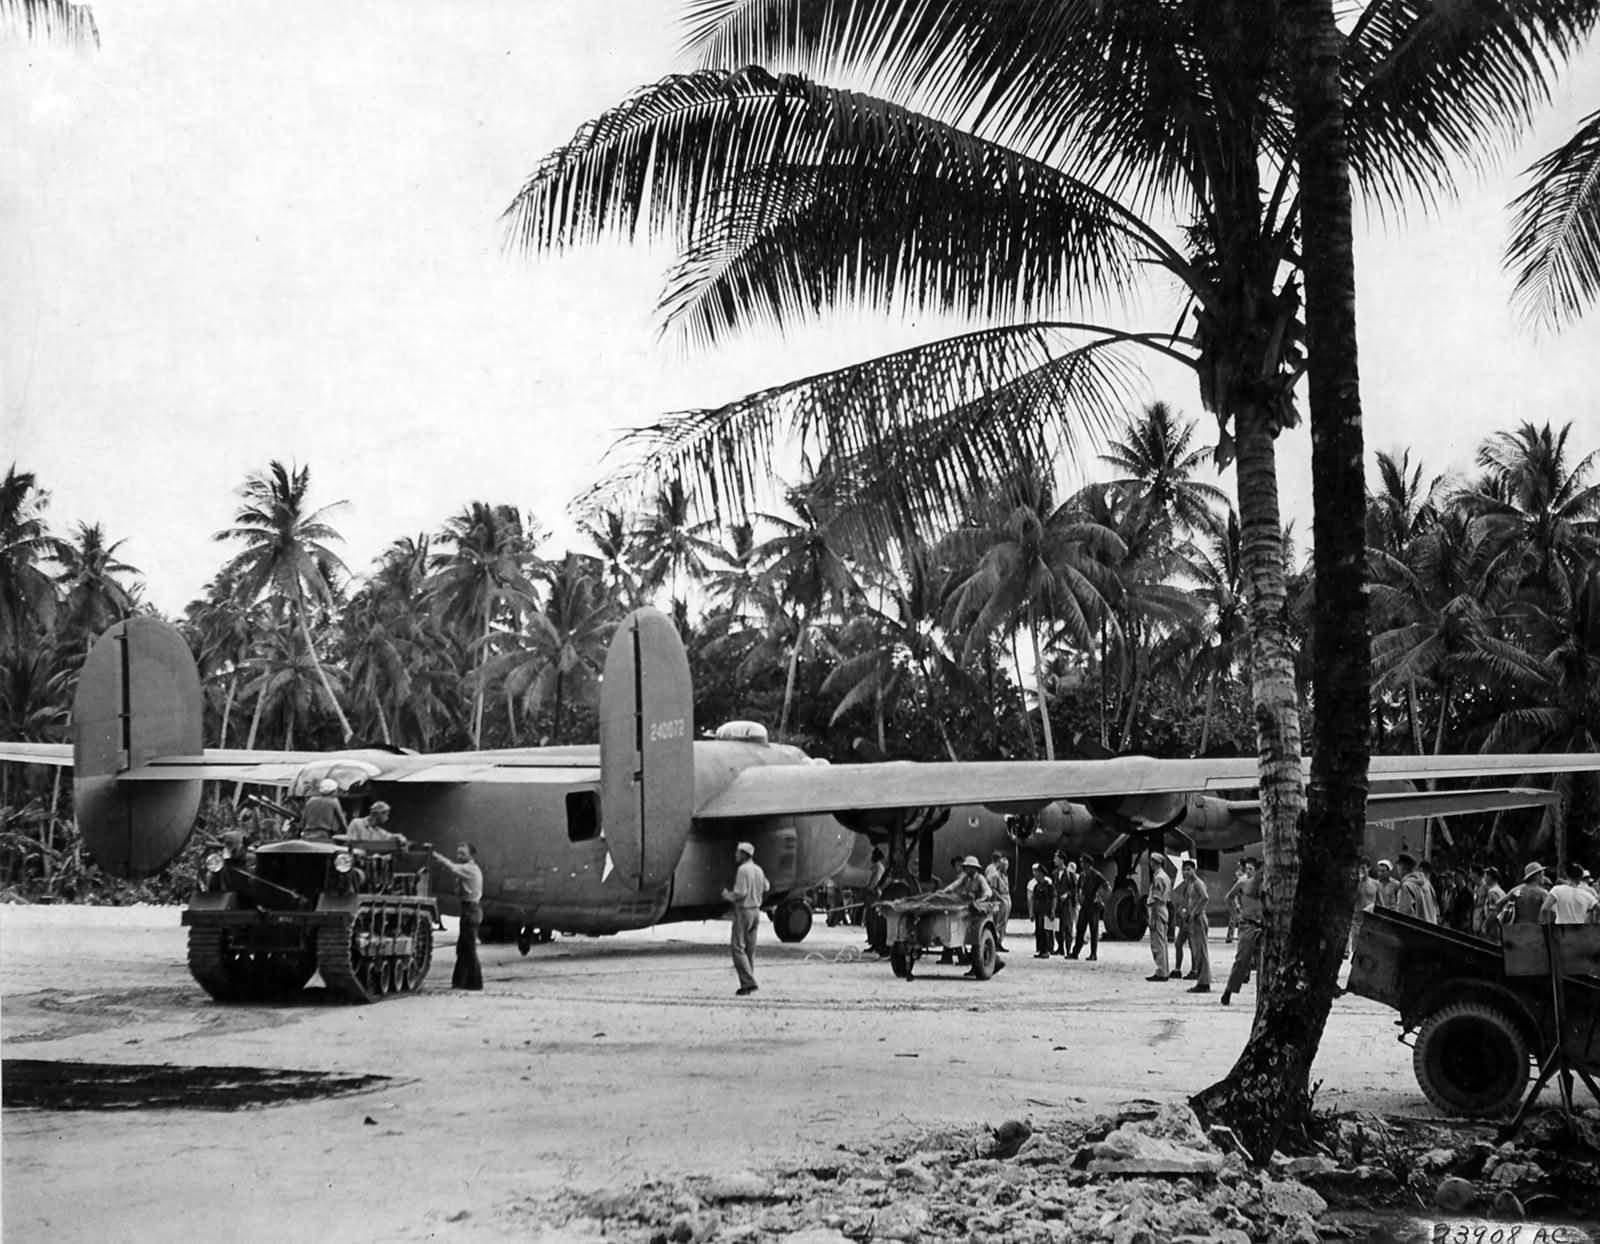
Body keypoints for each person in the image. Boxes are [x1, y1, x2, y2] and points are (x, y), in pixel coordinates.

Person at [431, 843, 484, 991]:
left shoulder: (470, 869)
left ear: (471, 856)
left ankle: (474, 983)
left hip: (470, 909)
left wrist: (436, 856)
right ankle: (461, 982)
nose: (459, 857)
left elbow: (452, 867)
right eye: (458, 853)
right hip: (470, 909)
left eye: (463, 854)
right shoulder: (470, 869)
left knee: (468, 948)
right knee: (464, 948)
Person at [721, 841, 769, 996]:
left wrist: (727, 895)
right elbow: (767, 886)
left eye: (737, 852)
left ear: (743, 854)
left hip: (744, 911)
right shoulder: (759, 870)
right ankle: (747, 984)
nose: (735, 855)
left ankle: (749, 982)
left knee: (737, 947)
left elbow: (740, 892)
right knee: (750, 949)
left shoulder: (743, 870)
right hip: (756, 911)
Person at [1221, 857, 1264, 1006]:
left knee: (1263, 962)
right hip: (1247, 924)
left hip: (1263, 925)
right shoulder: (1242, 883)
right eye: (1247, 869)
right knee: (1241, 960)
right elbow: (1228, 898)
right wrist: (1236, 915)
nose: (1249, 872)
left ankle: (1261, 996)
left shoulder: (1265, 884)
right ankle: (1228, 990)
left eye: (1252, 869)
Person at [1174, 858, 1211, 993]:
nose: (1186, 872)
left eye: (1189, 869)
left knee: (1201, 951)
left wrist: (1195, 912)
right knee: (1197, 951)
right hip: (1192, 919)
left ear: (1194, 870)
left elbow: (1205, 897)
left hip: (1198, 919)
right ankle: (1201, 980)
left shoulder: (1197, 883)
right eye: (1184, 870)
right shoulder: (1189, 884)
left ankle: (1204, 982)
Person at [1070, 856, 1108, 960]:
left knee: (1093, 930)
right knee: (1080, 928)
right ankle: (1075, 952)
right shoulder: (1082, 875)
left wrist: (1099, 896)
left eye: (1083, 862)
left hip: (1093, 905)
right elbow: (1078, 887)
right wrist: (1078, 897)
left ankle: (1093, 954)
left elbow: (1106, 886)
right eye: (1081, 862)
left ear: (1088, 864)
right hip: (1084, 905)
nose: (1082, 864)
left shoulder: (1096, 875)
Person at [1145, 853, 1174, 981]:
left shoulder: (1158, 878)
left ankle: (1161, 971)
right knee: (1162, 942)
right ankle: (1164, 970)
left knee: (1157, 943)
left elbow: (1156, 899)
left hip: (1157, 910)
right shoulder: (1165, 877)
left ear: (1154, 862)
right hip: (1163, 909)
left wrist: (1152, 918)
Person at [1395, 854, 1439, 923]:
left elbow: (1403, 915)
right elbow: (1436, 910)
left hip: (1417, 931)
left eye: (1398, 866)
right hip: (1431, 929)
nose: (1397, 869)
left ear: (1402, 867)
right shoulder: (1428, 885)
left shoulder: (1406, 887)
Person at [1029, 863, 1056, 959]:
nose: (1034, 875)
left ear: (1041, 873)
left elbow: (1053, 898)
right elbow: (1033, 899)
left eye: (1036, 872)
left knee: (1046, 932)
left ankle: (1046, 950)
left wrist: (1052, 910)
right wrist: (1032, 912)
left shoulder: (1049, 886)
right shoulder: (1036, 887)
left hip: (1046, 912)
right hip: (1038, 912)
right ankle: (1040, 949)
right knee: (1039, 931)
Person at [986, 853, 1012, 952]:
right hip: (1001, 899)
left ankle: (1000, 941)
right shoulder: (995, 875)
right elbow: (993, 888)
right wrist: (1000, 898)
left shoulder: (1005, 876)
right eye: (1004, 865)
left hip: (1007, 897)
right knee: (999, 922)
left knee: (1004, 922)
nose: (1006, 867)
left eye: (1007, 865)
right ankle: (995, 942)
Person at [1054, 855, 1078, 956]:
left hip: (1067, 903)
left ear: (1061, 860)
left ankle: (1068, 949)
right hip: (1056, 903)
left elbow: (1074, 889)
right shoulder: (1054, 873)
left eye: (1056, 859)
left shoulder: (1070, 874)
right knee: (1056, 926)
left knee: (1068, 926)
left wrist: (1067, 894)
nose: (1054, 860)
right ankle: (1060, 947)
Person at [1476, 866, 1507, 942]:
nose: (1484, 878)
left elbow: (1493, 912)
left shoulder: (1492, 892)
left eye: (1486, 875)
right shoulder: (1500, 891)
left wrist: (1484, 926)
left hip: (1493, 928)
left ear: (1490, 877)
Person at [1225, 861, 1244, 943]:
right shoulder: (1239, 875)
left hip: (1242, 899)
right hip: (1238, 899)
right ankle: (1230, 937)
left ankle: (1234, 937)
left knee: (1238, 920)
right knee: (1234, 919)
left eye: (1240, 865)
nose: (1239, 866)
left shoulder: (1243, 875)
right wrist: (1237, 904)